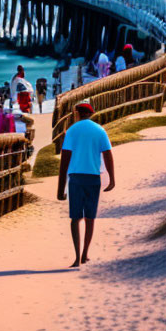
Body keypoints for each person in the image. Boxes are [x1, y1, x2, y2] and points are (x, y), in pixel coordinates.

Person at [56, 102, 115, 268]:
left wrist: (60, 189)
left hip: (75, 179)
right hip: (93, 178)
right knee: (90, 218)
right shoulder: (99, 130)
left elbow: (64, 161)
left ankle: (76, 257)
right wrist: (112, 179)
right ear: (90, 114)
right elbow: (108, 155)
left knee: (75, 219)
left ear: (77, 114)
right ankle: (84, 254)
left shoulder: (72, 131)